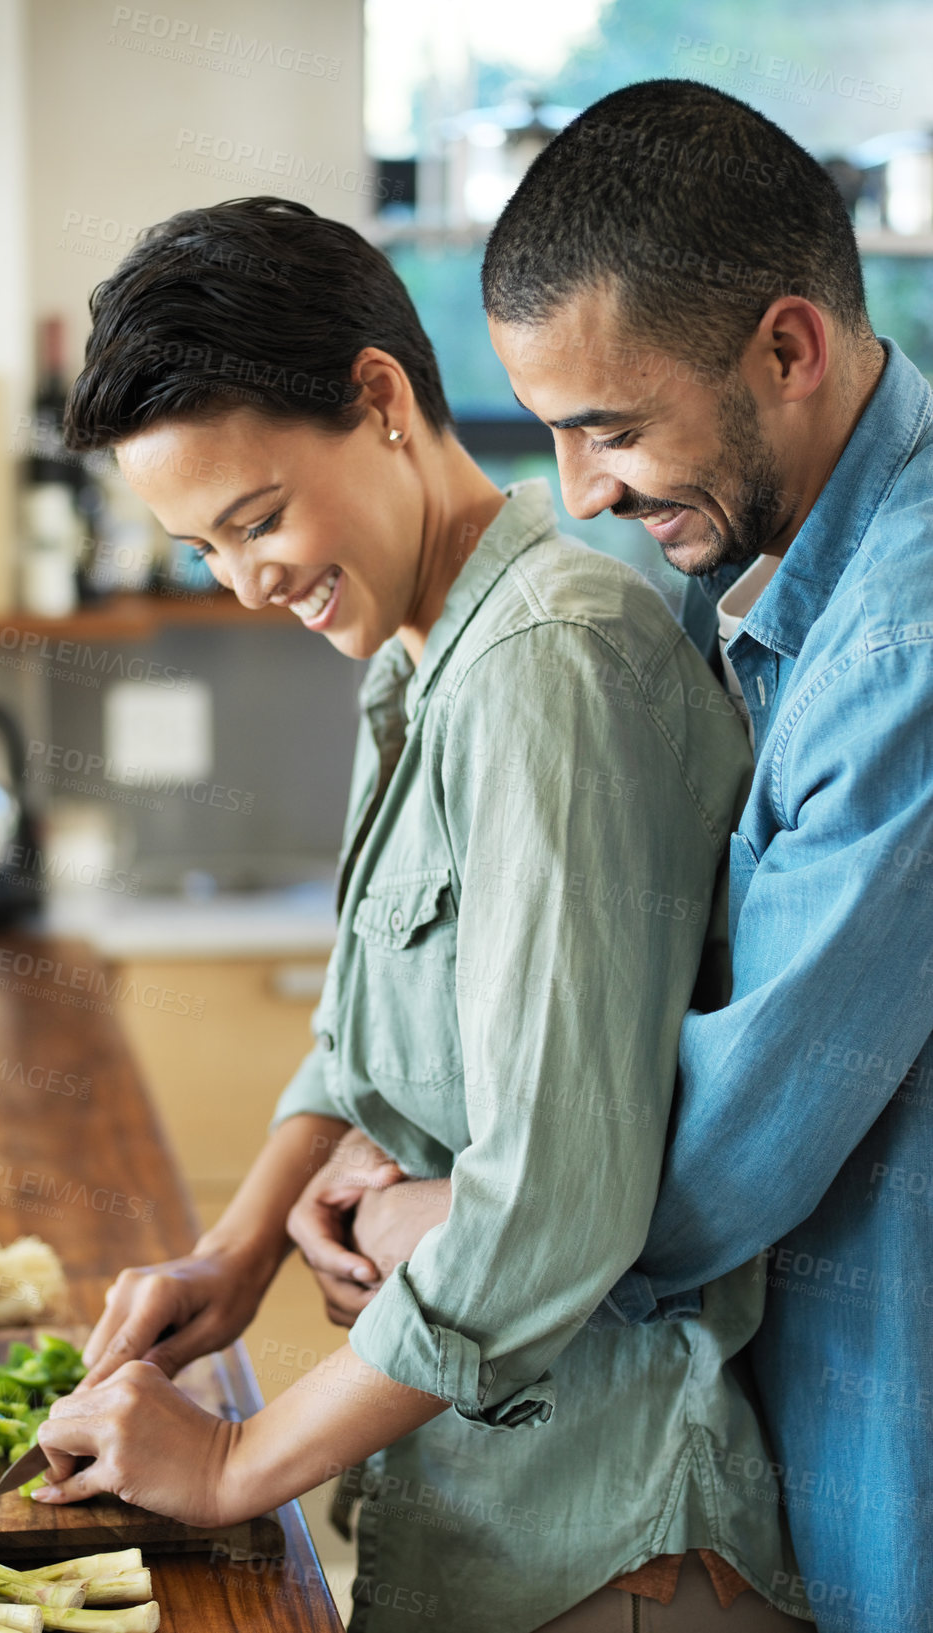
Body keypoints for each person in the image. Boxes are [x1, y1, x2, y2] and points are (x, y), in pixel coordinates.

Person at [33, 196, 810, 1630]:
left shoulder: (548, 663)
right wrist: (238, 1252)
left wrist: (228, 1460)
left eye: (257, 518)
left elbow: (550, 1207)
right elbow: (356, 1033)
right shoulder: (416, 657)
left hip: (602, 1536)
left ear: (380, 398)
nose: (246, 580)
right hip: (484, 1512)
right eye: (204, 545)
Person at [297, 79, 933, 1631]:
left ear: (789, 348)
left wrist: (431, 1213)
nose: (582, 490)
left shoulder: (909, 640)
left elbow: (735, 1145)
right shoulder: (801, 593)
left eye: (615, 427)